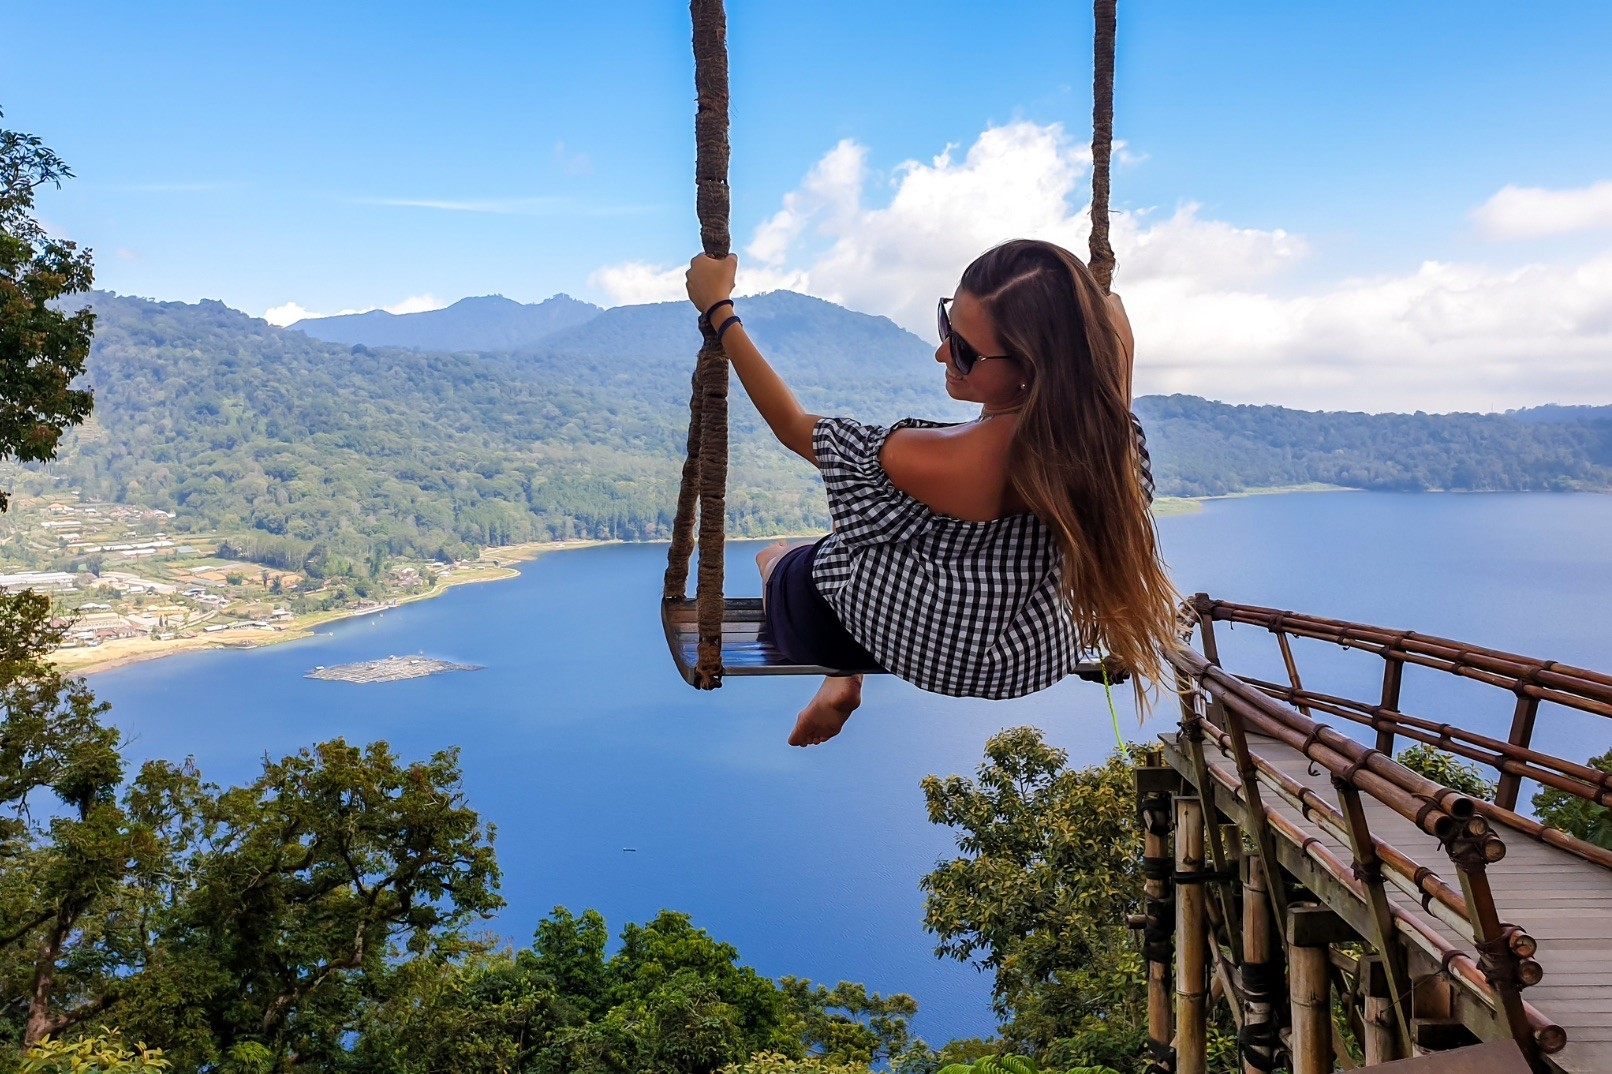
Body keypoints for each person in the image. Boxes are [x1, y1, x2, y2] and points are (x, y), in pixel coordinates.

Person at [684, 238, 1177, 747]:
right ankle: (841, 675)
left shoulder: (945, 460)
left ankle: (842, 673)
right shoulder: (1109, 434)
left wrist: (719, 309)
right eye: (947, 324)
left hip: (928, 650)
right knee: (865, 505)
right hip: (1038, 653)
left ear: (1032, 366)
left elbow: (793, 426)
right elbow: (1110, 335)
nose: (942, 352)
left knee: (781, 555)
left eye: (964, 350)